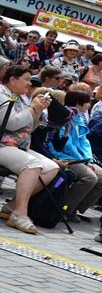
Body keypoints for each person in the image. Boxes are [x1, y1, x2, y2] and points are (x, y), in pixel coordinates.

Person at [0, 65, 58, 234]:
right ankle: (20, 213)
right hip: (3, 144)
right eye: (25, 79)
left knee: (51, 167)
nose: (29, 83)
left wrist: (37, 111)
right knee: (32, 164)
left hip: (18, 145)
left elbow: (28, 129)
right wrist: (32, 108)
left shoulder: (22, 98)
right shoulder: (2, 94)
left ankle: (11, 207)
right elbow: (10, 123)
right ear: (12, 79)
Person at [47, 89, 102, 221]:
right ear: (79, 103)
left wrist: (88, 160)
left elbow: (84, 142)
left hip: (81, 158)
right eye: (87, 102)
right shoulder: (64, 116)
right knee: (90, 178)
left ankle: (74, 208)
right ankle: (62, 208)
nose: (89, 105)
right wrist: (83, 161)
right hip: (64, 157)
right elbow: (66, 145)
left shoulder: (79, 118)